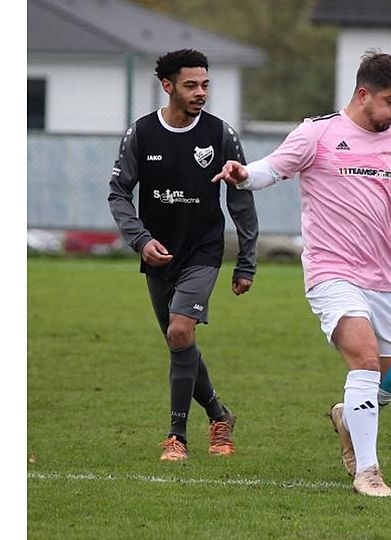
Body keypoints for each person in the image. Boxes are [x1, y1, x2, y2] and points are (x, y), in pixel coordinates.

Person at [211, 51, 391, 497]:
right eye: (390, 101)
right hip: (331, 270)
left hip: (383, 274)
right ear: (363, 94)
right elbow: (272, 168)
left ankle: (348, 415)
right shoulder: (319, 133)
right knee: (365, 360)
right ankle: (367, 471)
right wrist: (241, 174)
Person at [107, 49, 258, 462]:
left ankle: (177, 437)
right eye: (191, 85)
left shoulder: (221, 135)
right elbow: (119, 193)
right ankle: (219, 413)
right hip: (157, 252)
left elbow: (241, 201)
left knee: (178, 331)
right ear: (168, 85)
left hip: (203, 250)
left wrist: (246, 260)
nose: (201, 93)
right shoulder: (141, 134)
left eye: (206, 84)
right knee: (180, 341)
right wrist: (139, 239)